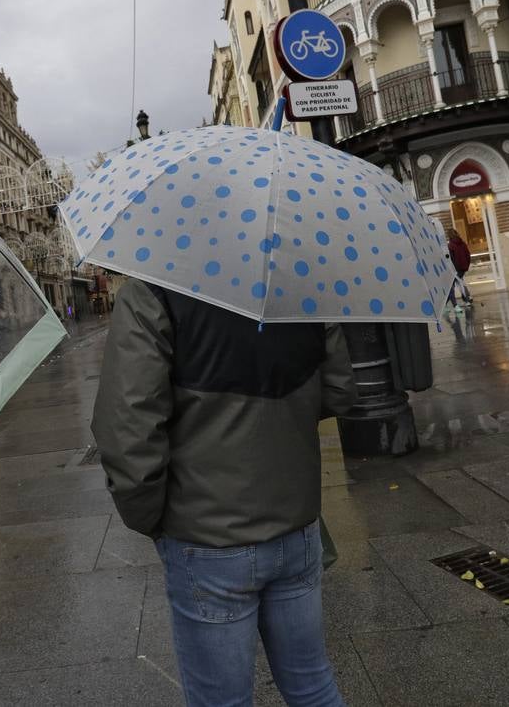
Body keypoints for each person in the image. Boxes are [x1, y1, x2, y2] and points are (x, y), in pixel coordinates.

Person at [92, 277, 355, 706]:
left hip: (206, 536)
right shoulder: (300, 281)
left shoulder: (153, 288)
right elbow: (340, 392)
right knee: (312, 685)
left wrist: (153, 520)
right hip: (297, 525)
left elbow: (128, 430)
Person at [445, 227, 473, 312]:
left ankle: (455, 305)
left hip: (454, 269)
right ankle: (467, 299)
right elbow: (468, 255)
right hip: (462, 268)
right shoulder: (462, 243)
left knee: (451, 287)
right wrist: (466, 265)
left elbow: (451, 259)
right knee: (461, 283)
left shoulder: (450, 246)